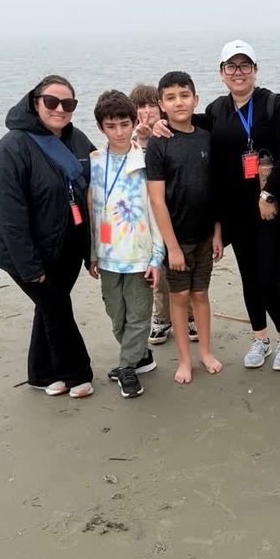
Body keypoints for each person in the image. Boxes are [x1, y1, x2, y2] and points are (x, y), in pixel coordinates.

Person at [0, 75, 95, 398]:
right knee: (57, 308)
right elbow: (10, 218)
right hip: (23, 252)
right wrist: (31, 267)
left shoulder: (78, 141)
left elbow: (96, 191)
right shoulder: (12, 148)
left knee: (48, 308)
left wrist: (91, 251)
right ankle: (76, 374)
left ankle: (40, 373)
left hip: (68, 248)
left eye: (68, 104)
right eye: (52, 102)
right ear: (35, 102)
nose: (60, 109)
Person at [203, 40, 280, 371]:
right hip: (237, 213)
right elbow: (184, 126)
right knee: (249, 278)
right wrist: (154, 125)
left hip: (273, 209)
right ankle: (261, 337)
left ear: (255, 71)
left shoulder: (275, 104)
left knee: (269, 279)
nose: (238, 72)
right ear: (221, 73)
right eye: (231, 66)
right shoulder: (217, 110)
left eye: (245, 66)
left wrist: (270, 193)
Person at [145, 71, 224, 384]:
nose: (179, 102)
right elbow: (157, 200)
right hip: (177, 240)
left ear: (195, 99)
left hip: (205, 235)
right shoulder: (158, 143)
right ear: (161, 105)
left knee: (201, 294)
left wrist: (218, 232)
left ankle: (205, 352)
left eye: (184, 95)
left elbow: (214, 189)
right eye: (171, 97)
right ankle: (184, 359)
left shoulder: (207, 135)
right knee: (179, 298)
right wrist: (172, 247)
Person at [87, 90, 165, 398]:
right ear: (101, 128)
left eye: (124, 124)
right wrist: (92, 253)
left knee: (139, 314)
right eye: (111, 126)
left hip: (139, 255)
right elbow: (93, 213)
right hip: (106, 256)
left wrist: (156, 257)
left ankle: (127, 367)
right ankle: (139, 357)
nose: (119, 132)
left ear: (134, 122)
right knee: (115, 313)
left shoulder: (146, 162)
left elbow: (156, 213)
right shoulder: (93, 163)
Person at [129, 82, 196, 347]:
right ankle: (162, 317)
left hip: (177, 211)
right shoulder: (130, 139)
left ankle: (190, 315)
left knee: (184, 263)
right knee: (157, 270)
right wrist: (141, 140)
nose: (147, 111)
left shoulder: (173, 132)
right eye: (140, 107)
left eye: (151, 105)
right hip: (145, 217)